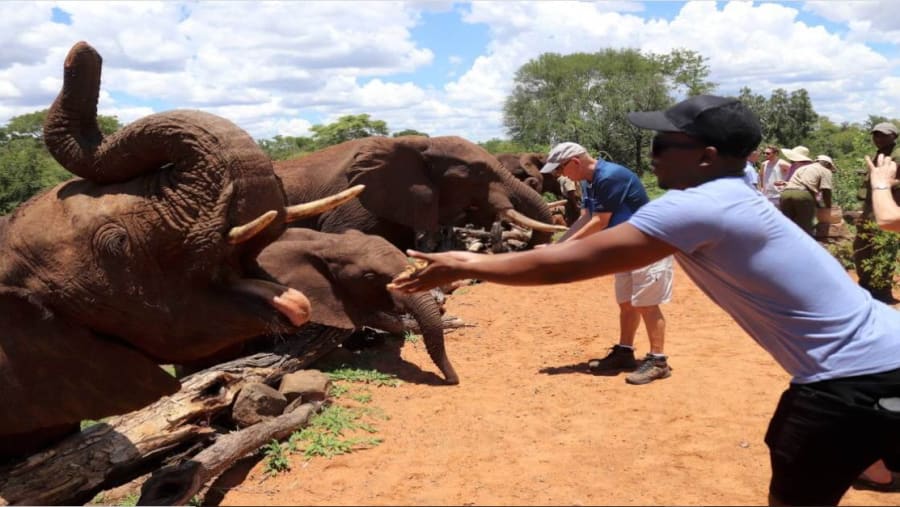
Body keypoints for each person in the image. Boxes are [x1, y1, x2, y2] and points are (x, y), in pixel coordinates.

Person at [390, 95, 900, 506]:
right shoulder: (735, 190)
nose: (653, 151)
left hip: (845, 380)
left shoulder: (696, 206)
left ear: (705, 156)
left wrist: (467, 263)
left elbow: (562, 266)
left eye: (665, 142)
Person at [538, 142, 674, 385]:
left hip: (648, 246)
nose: (561, 176)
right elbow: (585, 218)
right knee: (626, 303)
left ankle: (658, 360)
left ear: (575, 162)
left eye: (560, 170)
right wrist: (557, 247)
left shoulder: (609, 176)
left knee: (647, 304)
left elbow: (600, 221)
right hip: (624, 248)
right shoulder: (589, 181)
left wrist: (564, 249)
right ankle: (625, 351)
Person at [853, 122, 900, 303]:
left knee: (882, 249)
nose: (878, 139)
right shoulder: (879, 155)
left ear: (894, 136)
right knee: (862, 249)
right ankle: (866, 287)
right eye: (876, 135)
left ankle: (881, 292)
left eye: (883, 135)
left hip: (886, 211)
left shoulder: (896, 156)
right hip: (870, 211)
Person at [778, 150, 834, 235]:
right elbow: (826, 191)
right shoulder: (825, 170)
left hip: (785, 194)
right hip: (803, 195)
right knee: (805, 225)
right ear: (827, 164)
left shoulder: (802, 168)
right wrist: (828, 207)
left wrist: (817, 204)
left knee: (787, 224)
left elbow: (798, 184)